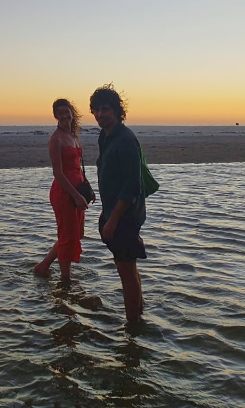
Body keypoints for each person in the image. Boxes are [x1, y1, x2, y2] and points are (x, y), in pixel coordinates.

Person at [89, 84, 146, 323]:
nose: (101, 114)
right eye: (96, 110)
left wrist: (112, 221)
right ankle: (139, 313)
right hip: (114, 213)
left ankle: (132, 327)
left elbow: (131, 187)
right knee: (128, 268)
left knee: (126, 272)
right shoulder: (106, 136)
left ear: (116, 110)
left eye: (105, 109)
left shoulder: (125, 139)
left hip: (125, 217)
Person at [34, 98, 93, 280]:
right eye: (60, 113)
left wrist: (88, 189)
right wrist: (76, 196)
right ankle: (66, 281)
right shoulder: (56, 139)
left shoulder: (74, 135)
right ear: (55, 116)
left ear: (71, 113)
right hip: (64, 193)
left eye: (66, 112)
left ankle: (43, 266)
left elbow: (77, 167)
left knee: (77, 234)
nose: (64, 116)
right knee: (68, 238)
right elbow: (58, 173)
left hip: (78, 192)